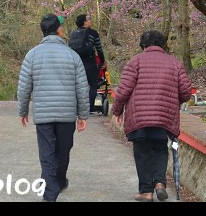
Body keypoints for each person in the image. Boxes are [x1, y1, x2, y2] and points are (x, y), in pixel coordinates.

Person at [112, 30, 193, 202]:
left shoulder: (135, 62)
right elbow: (186, 92)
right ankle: (160, 184)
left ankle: (146, 192)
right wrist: (173, 99)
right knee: (160, 149)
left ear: (143, 45)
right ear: (162, 44)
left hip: (140, 118)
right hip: (164, 118)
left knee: (142, 152)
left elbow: (123, 90)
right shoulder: (174, 63)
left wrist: (117, 110)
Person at [17, 13, 90, 202]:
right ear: (59, 30)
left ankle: (52, 188)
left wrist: (23, 110)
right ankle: (54, 186)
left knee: (47, 153)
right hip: (66, 115)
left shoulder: (32, 55)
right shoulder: (72, 55)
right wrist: (83, 114)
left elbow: (24, 86)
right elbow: (82, 87)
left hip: (43, 115)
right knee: (63, 151)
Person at [69, 14, 107, 114]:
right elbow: (99, 49)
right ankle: (90, 108)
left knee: (78, 85)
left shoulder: (73, 33)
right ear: (85, 22)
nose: (90, 20)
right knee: (93, 84)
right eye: (89, 19)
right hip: (90, 63)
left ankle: (77, 108)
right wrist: (102, 61)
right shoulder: (93, 33)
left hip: (76, 63)